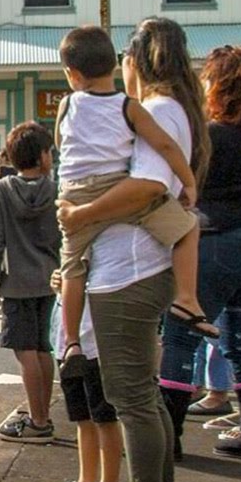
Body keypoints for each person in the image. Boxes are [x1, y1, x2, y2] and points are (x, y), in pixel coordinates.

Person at [57, 18, 202, 482]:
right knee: (147, 395)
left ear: (134, 61)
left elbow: (145, 185)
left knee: (132, 397)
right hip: (139, 262)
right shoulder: (147, 109)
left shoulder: (153, 109)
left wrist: (81, 212)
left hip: (129, 269)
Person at [142, 44, 241, 462]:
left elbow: (186, 187)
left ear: (217, 86)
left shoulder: (212, 137)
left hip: (220, 241)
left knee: (180, 336)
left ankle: (169, 443)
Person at [52, 23, 212, 380]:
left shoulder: (67, 104)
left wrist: (81, 207)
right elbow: (165, 147)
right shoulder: (132, 108)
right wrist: (188, 181)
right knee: (187, 227)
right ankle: (188, 297)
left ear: (71, 74)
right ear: (113, 66)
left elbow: (62, 143)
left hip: (75, 190)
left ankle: (71, 341)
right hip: (116, 188)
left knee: (71, 268)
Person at [0, 121, 60, 443]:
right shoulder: (56, 191)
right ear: (44, 156)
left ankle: (37, 420)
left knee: (24, 350)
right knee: (45, 348)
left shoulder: (0, 191)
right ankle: (42, 415)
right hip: (52, 280)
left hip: (16, 281)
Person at [44, 302, 126, 482]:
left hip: (98, 345)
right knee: (82, 416)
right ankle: (86, 481)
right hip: (69, 343)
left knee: (104, 417)